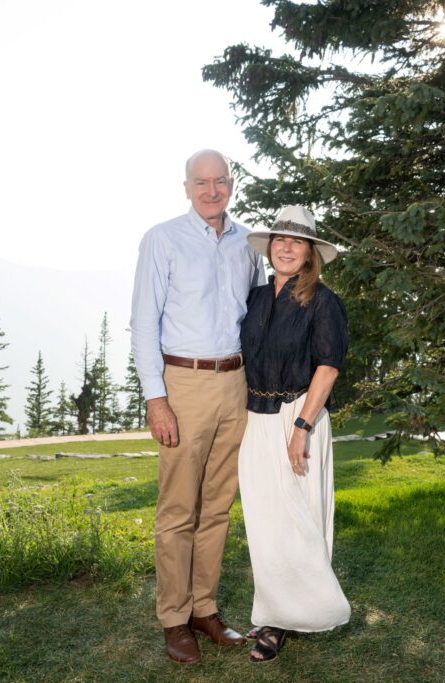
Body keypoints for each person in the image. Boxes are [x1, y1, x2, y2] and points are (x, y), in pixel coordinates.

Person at [130, 149, 264, 664]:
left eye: (220, 181)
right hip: (182, 383)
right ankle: (173, 619)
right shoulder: (162, 239)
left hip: (237, 383)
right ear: (186, 187)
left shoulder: (246, 243)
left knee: (217, 507)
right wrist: (155, 398)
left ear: (231, 185)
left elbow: (256, 316)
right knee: (178, 510)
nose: (212, 190)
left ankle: (204, 609)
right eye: (201, 182)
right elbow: (144, 323)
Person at [238, 205, 351, 663]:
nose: (286, 247)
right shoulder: (255, 298)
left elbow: (328, 367)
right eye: (280, 239)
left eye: (297, 241)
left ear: (309, 253)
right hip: (255, 417)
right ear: (270, 248)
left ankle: (294, 615)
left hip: (296, 415)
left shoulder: (324, 301)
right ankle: (274, 611)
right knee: (265, 522)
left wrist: (301, 428)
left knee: (297, 519)